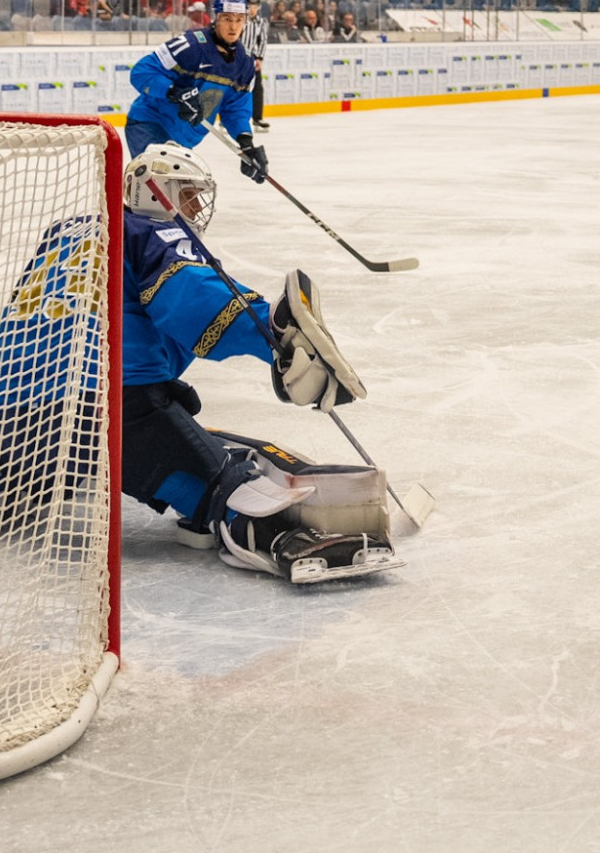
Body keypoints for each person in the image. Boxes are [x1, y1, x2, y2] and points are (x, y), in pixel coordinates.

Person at [117, 144, 400, 583]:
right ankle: (273, 535)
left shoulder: (73, 233)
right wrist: (272, 332)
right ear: (156, 192)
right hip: (111, 411)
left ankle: (8, 468)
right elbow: (190, 298)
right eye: (187, 194)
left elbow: (136, 328)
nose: (194, 207)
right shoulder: (150, 231)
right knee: (226, 480)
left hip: (18, 414)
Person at [124, 0, 269, 185]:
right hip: (150, 124)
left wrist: (245, 143)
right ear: (216, 18)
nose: (233, 26)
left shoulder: (244, 63)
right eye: (227, 19)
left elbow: (236, 109)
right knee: (160, 191)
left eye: (239, 20)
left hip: (184, 138)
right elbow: (141, 72)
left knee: (180, 198)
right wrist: (173, 92)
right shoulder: (191, 45)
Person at [245, 0, 271, 132]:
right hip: (237, 58)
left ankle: (257, 118)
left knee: (257, 88)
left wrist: (259, 58)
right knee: (233, 88)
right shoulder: (240, 20)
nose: (252, 9)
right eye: (249, 6)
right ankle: (227, 119)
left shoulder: (261, 22)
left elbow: (263, 41)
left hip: (253, 58)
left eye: (254, 6)